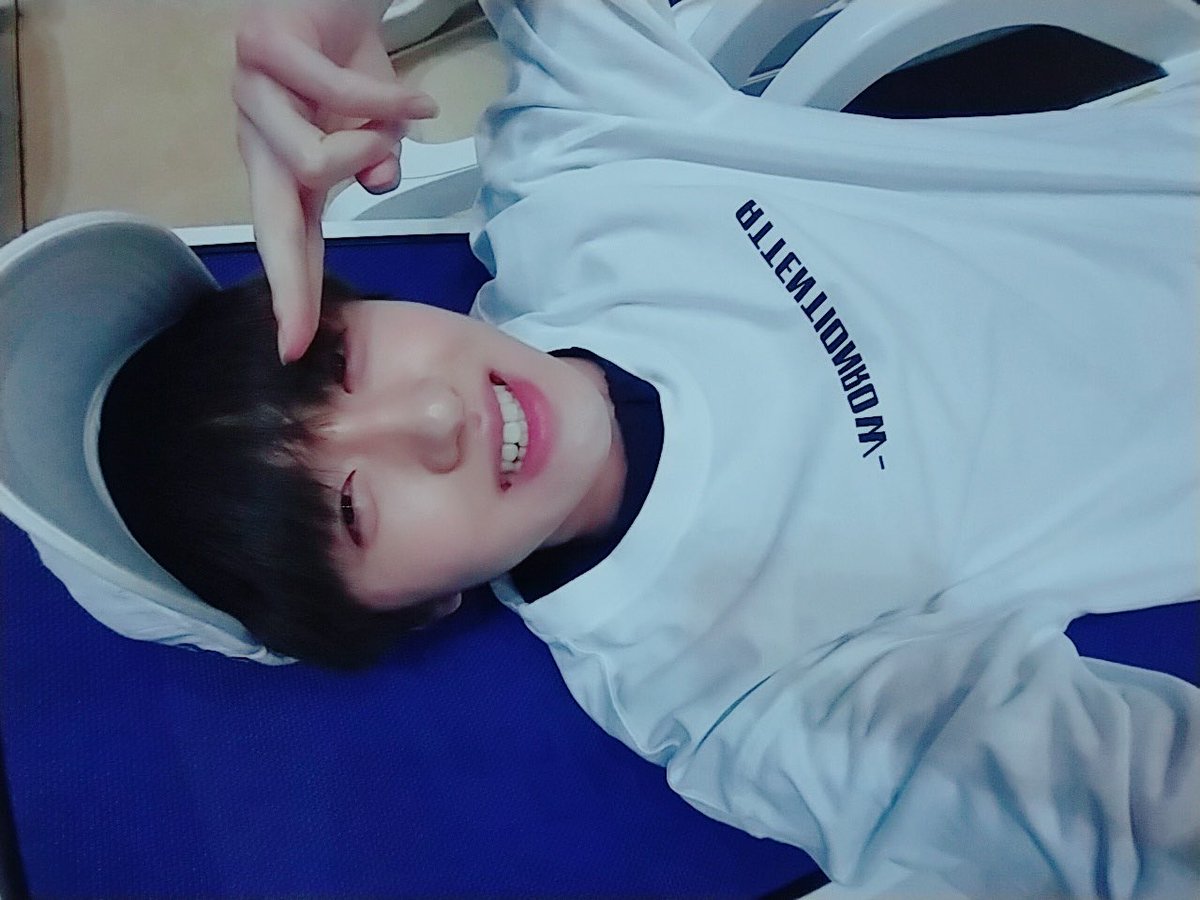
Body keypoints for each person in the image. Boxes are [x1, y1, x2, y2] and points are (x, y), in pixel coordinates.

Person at [32, 0, 1200, 896]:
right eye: (350, 506)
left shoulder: (577, 186)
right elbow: (1100, 825)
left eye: (339, 363)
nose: (432, 419)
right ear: (416, 612)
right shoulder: (723, 680)